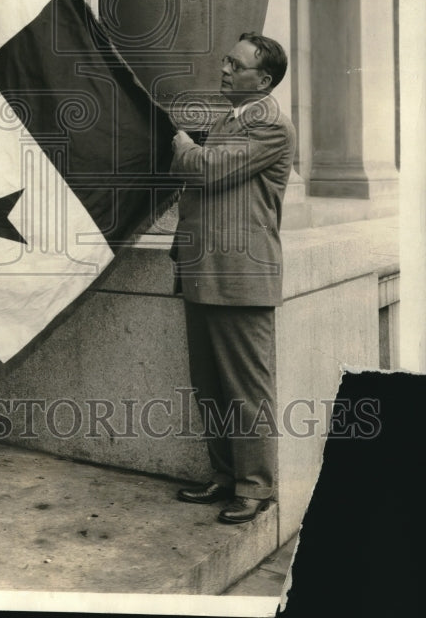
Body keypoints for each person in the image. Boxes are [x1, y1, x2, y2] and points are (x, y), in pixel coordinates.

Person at [171, 32, 295, 524]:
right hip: (205, 273)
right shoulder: (231, 119)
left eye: (235, 65)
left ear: (262, 80)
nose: (223, 69)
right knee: (210, 389)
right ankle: (225, 477)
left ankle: (257, 488)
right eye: (225, 60)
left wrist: (181, 145)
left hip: (242, 277)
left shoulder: (272, 127)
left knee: (246, 392)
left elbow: (207, 171)